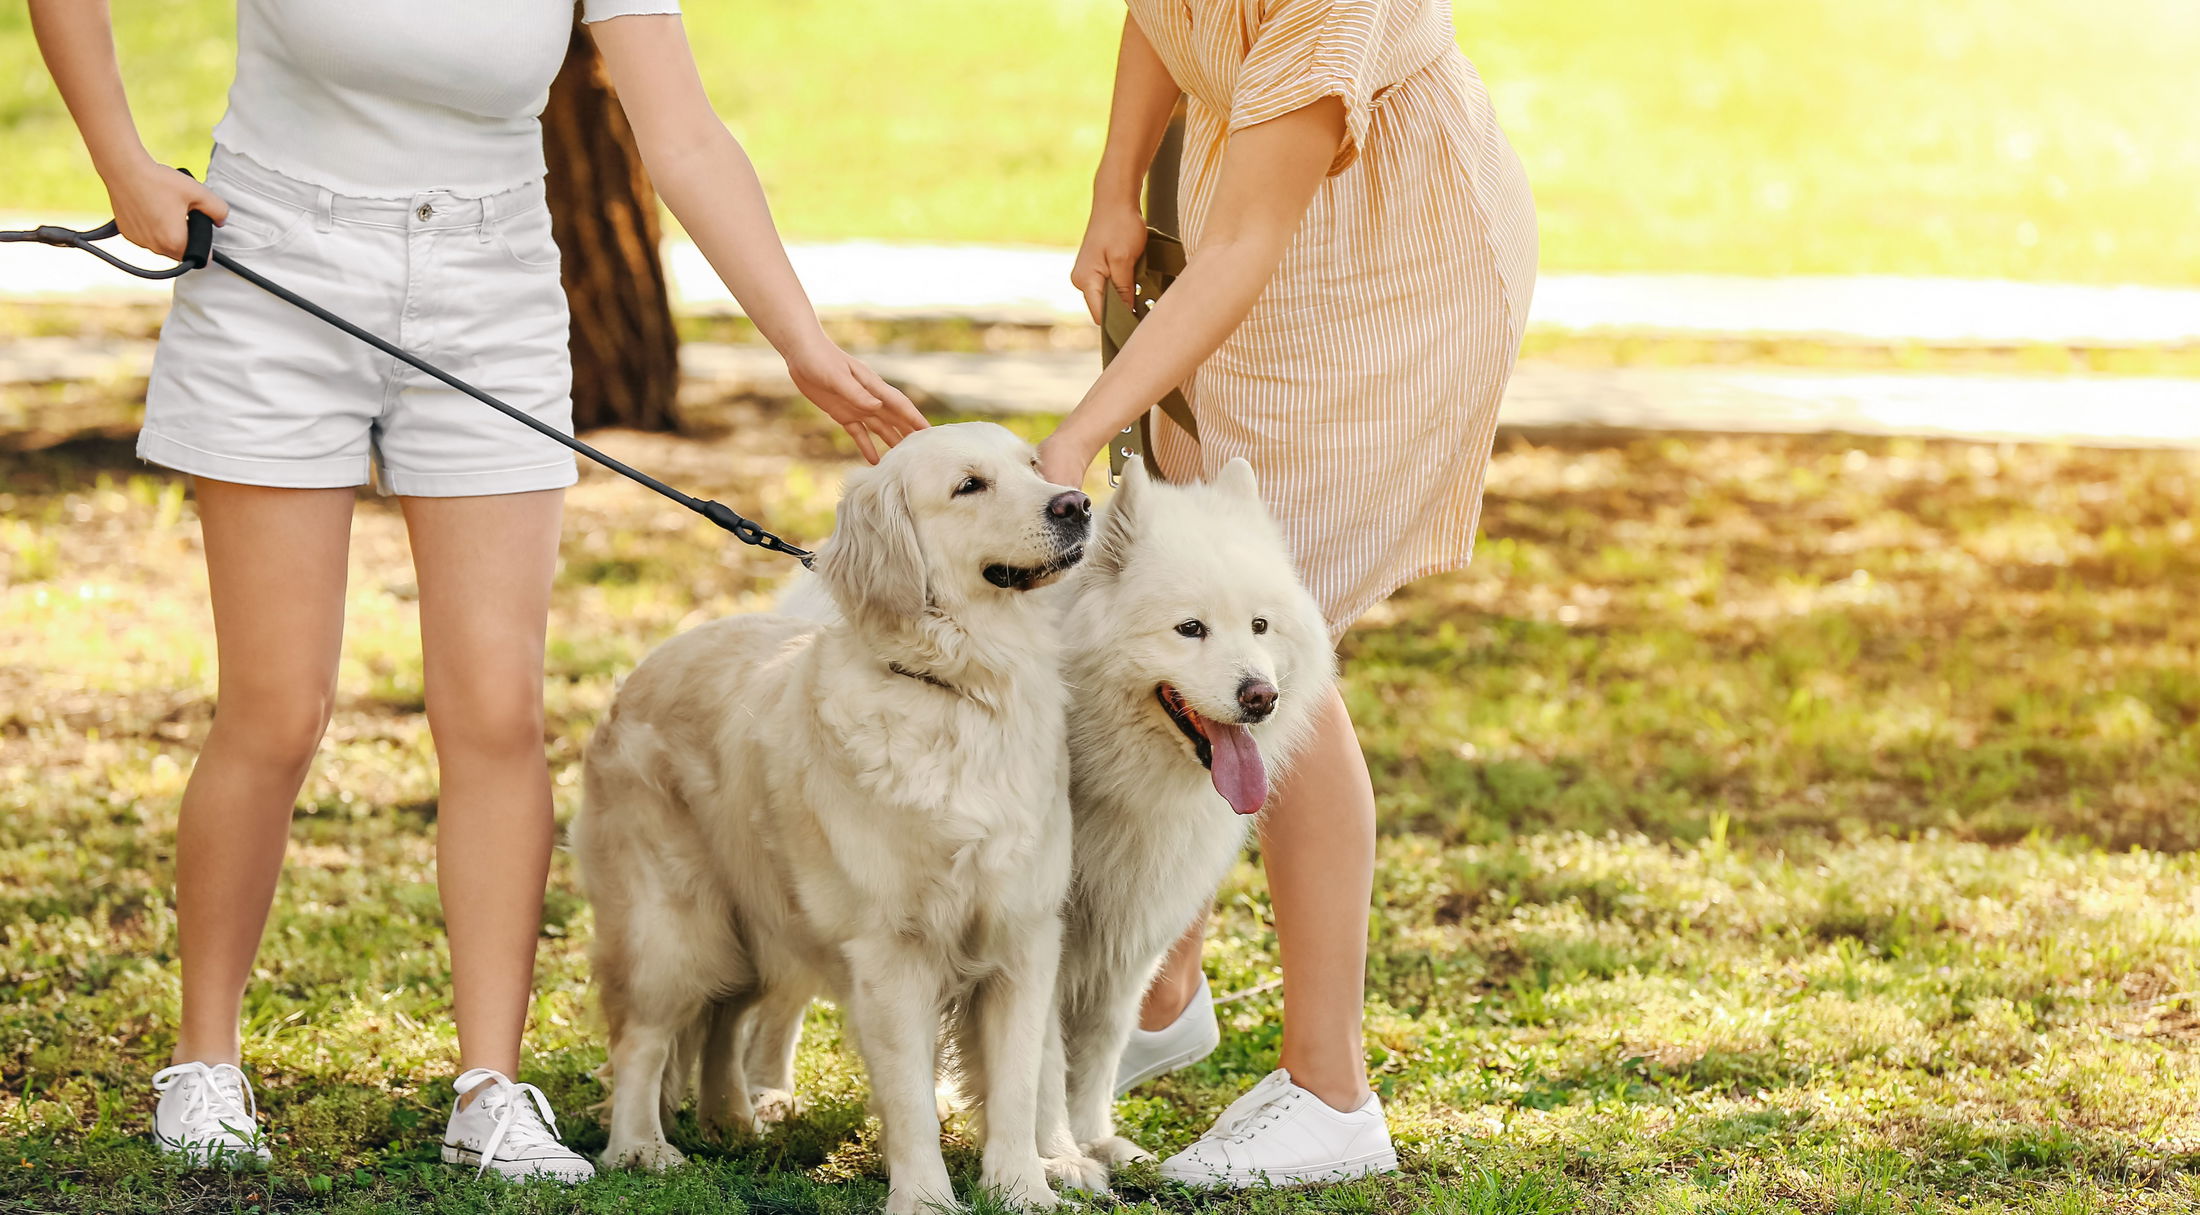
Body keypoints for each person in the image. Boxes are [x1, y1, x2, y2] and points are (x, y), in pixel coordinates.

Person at [28, 0, 925, 1182]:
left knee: (497, 714)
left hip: (488, 283)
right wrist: (122, 163)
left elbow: (685, 134)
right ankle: (204, 1062)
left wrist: (801, 344)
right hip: (274, 261)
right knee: (277, 708)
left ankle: (489, 1092)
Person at [1036, 0, 1537, 1188]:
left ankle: (1331, 1093)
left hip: (1390, 265)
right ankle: (1161, 992)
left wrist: (1080, 437)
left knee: (1272, 635)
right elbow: (1165, 15)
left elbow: (1247, 244)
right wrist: (1117, 188)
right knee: (1209, 609)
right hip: (1247, 231)